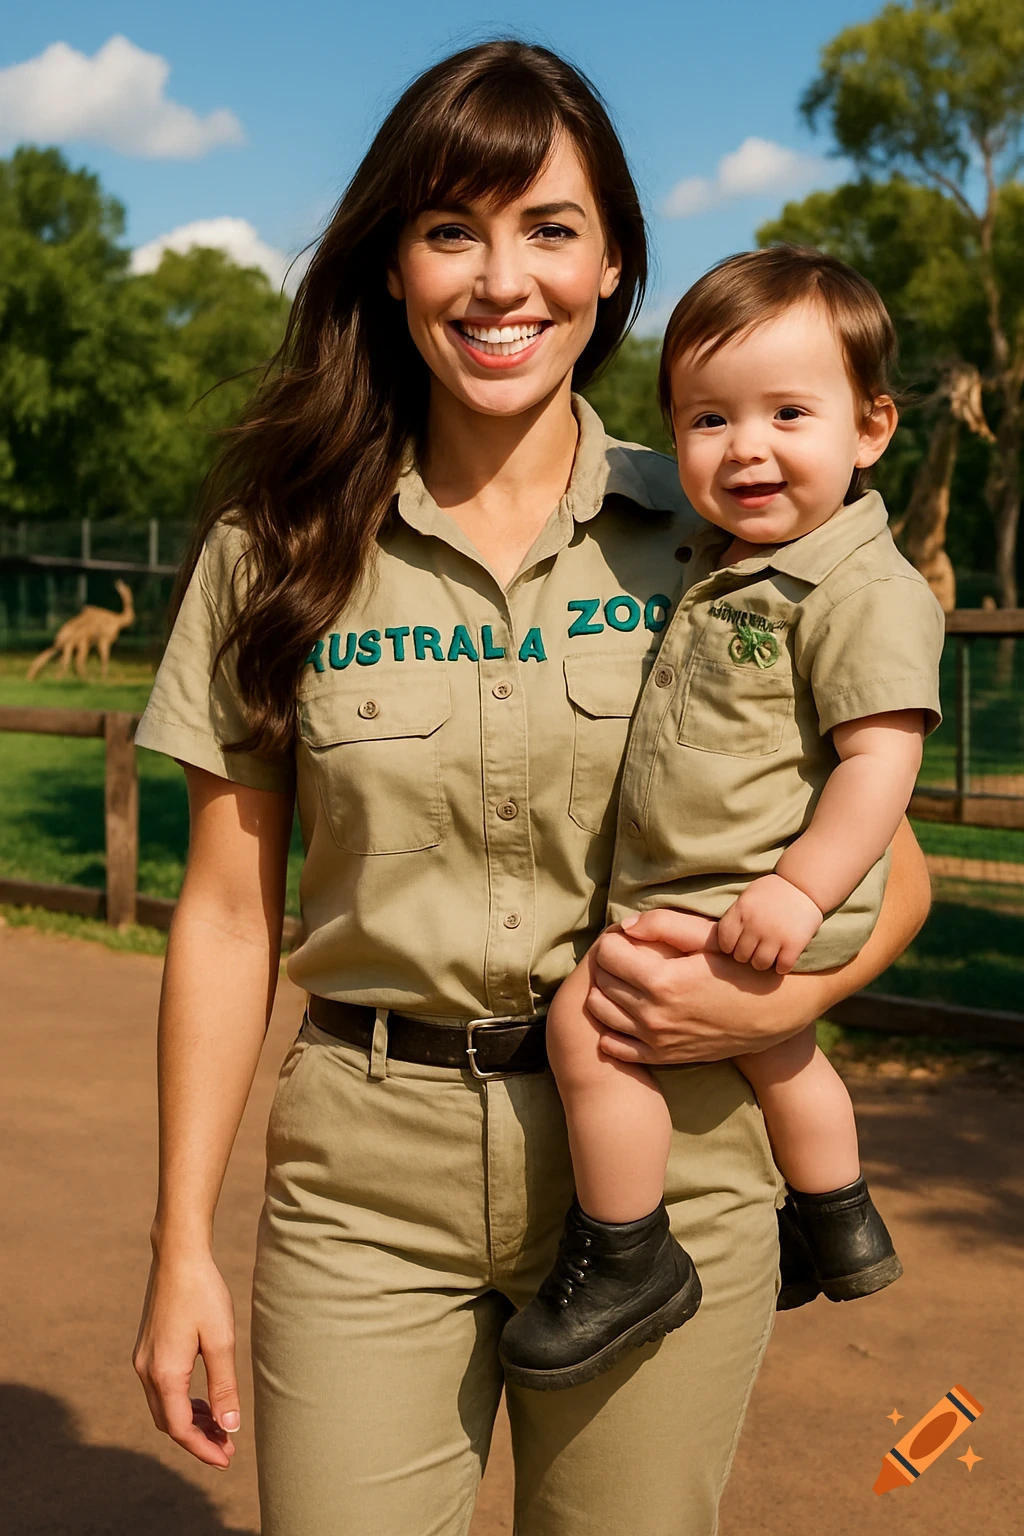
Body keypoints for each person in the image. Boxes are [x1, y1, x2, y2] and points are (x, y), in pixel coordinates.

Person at [131, 41, 932, 1536]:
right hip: (368, 1186)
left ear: (612, 260)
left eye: (549, 230)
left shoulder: (723, 531)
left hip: (673, 1168)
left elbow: (893, 850)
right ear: (391, 264)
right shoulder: (278, 548)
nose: (503, 282)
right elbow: (228, 915)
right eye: (452, 230)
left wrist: (777, 1000)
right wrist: (180, 1239)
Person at [500, 248, 944, 1393]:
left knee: (591, 1022)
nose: (744, 446)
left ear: (871, 428)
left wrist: (796, 893)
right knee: (776, 1047)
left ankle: (626, 1249)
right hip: (745, 884)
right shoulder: (729, 563)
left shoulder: (860, 588)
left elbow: (877, 766)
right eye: (707, 418)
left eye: (788, 413)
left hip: (765, 887)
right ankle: (836, 1220)